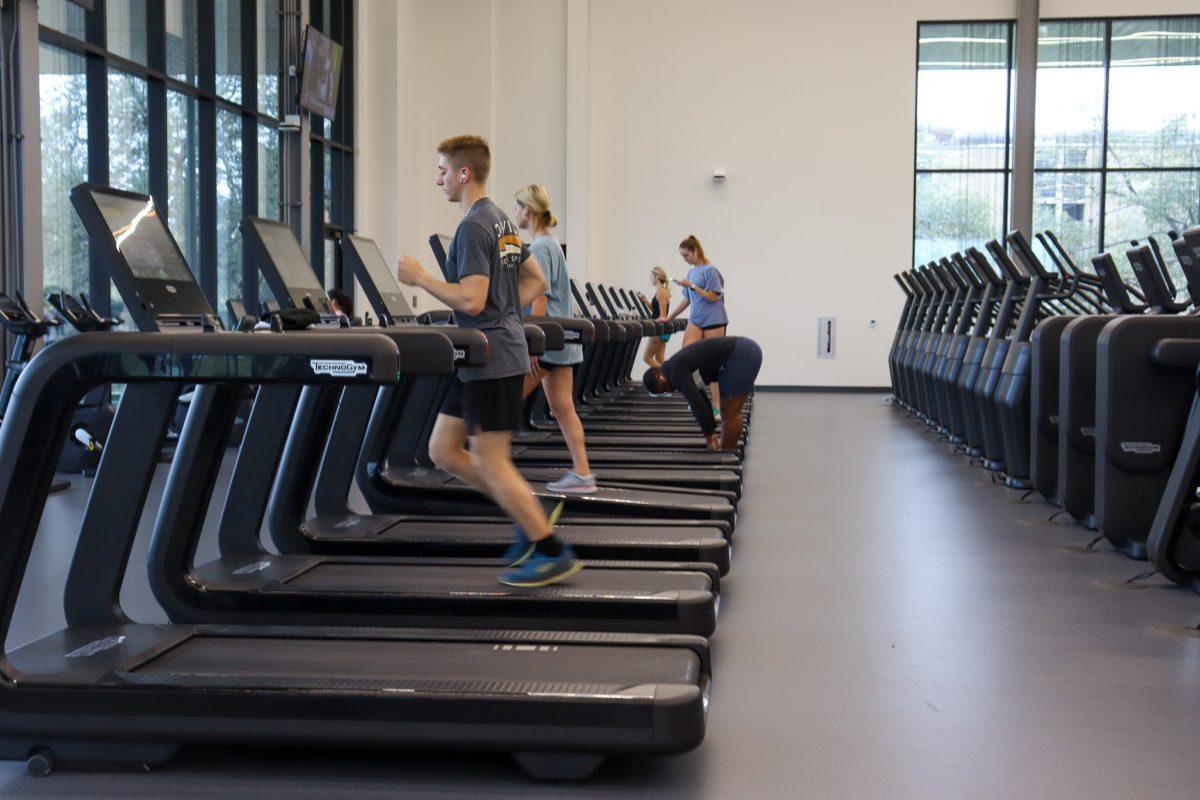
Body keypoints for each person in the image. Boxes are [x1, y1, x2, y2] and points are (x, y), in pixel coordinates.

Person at [394, 135, 579, 587]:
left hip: (492, 358)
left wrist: (422, 278)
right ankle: (525, 510)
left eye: (442, 170)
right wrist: (505, 310)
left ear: (464, 173)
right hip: (484, 354)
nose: (438, 178)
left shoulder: (475, 227)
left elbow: (473, 300)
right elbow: (533, 280)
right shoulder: (502, 222)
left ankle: (550, 549)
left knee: (492, 461)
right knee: (443, 450)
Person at [514, 184, 596, 495]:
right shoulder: (551, 245)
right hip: (560, 343)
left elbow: (540, 298)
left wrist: (532, 343)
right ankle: (583, 473)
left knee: (502, 401)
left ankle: (491, 467)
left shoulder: (539, 249)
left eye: (516, 208)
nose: (514, 215)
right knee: (563, 408)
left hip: (546, 342)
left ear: (527, 211)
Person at [642, 336, 761, 452]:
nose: (670, 391)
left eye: (664, 389)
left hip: (741, 354)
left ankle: (726, 456)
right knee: (729, 412)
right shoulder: (679, 366)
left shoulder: (676, 372)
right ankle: (727, 453)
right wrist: (711, 430)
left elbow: (696, 404)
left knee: (730, 412)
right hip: (745, 351)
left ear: (660, 378)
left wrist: (709, 436)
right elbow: (701, 396)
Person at [663, 235, 728, 420]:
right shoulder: (691, 272)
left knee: (713, 366)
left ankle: (716, 406)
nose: (685, 259)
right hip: (696, 320)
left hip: (714, 320)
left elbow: (712, 297)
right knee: (685, 361)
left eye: (686, 255)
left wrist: (691, 285)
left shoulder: (710, 270)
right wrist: (669, 318)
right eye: (682, 256)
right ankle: (699, 400)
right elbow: (687, 300)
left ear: (696, 251)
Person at [639, 266, 672, 368]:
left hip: (659, 329)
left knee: (647, 358)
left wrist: (651, 323)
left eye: (651, 276)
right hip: (662, 328)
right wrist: (646, 301)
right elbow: (656, 311)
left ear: (657, 277)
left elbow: (662, 315)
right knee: (659, 358)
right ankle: (670, 379)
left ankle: (667, 378)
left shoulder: (661, 292)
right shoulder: (660, 291)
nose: (650, 279)